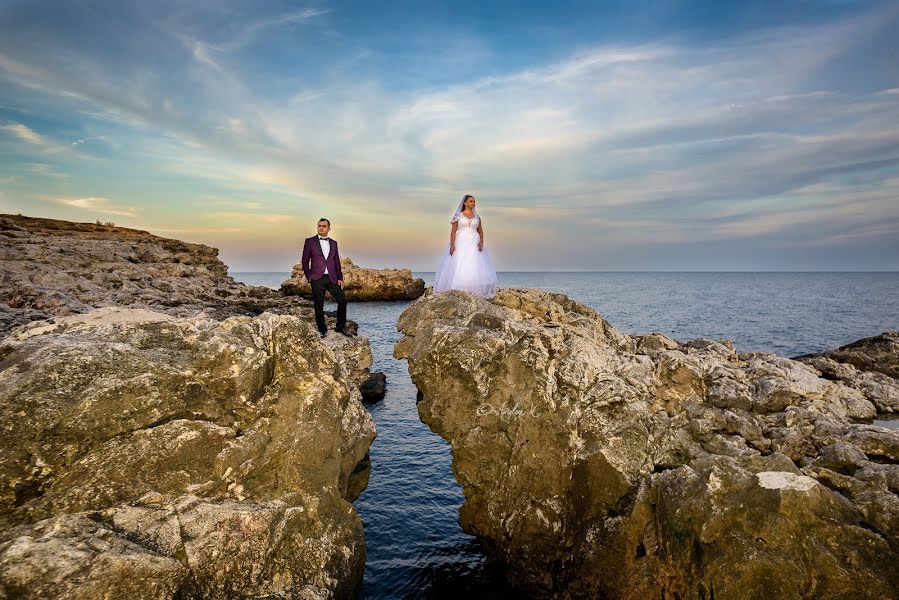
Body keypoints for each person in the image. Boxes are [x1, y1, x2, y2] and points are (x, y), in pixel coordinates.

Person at [433, 194, 497, 298]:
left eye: (474, 201)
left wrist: (481, 242)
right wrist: (452, 245)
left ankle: (474, 289)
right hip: (460, 241)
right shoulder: (458, 216)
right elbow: (453, 231)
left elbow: (480, 231)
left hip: (474, 242)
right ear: (465, 203)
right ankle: (458, 287)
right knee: (460, 263)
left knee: (474, 263)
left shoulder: (477, 217)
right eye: (471, 201)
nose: (474, 203)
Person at [301, 218, 353, 337]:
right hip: (317, 278)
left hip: (332, 277)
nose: (321, 228)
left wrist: (340, 278)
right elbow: (305, 260)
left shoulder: (334, 243)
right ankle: (322, 330)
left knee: (343, 300)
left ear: (329, 228)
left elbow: (336, 262)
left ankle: (340, 327)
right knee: (319, 304)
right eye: (319, 226)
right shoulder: (310, 241)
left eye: (324, 226)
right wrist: (309, 276)